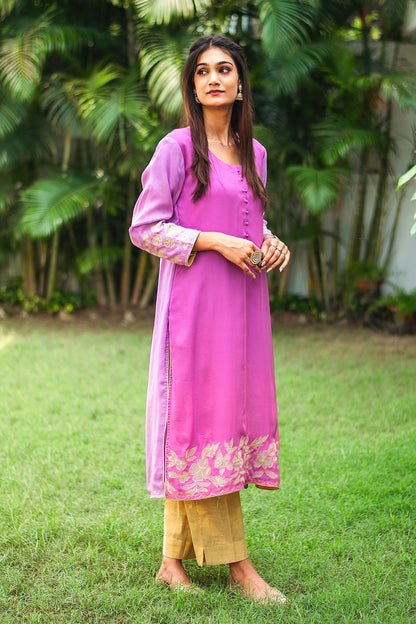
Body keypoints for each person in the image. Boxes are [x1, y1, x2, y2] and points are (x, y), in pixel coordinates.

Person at [129, 34, 290, 605]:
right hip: (193, 312)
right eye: (203, 71)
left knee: (213, 424)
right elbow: (145, 227)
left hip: (242, 308)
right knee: (203, 424)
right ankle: (238, 566)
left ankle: (172, 562)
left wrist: (271, 243)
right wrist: (212, 241)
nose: (214, 78)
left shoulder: (256, 152)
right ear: (192, 86)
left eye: (225, 69)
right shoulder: (175, 147)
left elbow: (250, 224)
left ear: (240, 83)